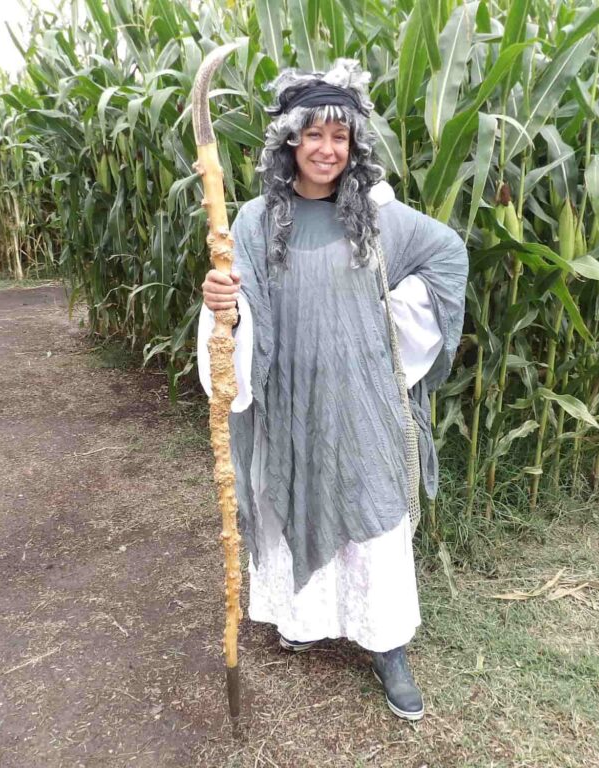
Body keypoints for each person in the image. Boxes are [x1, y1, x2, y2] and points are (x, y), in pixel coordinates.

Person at [197, 59, 467, 721]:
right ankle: (303, 615)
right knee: (295, 492)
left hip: (365, 401)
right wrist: (221, 308)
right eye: (313, 134)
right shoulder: (257, 225)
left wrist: (391, 328)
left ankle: (387, 644)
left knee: (374, 509)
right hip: (291, 399)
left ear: (355, 147)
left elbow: (447, 254)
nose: (326, 149)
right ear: (289, 141)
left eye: (339, 138)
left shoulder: (377, 218)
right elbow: (238, 322)